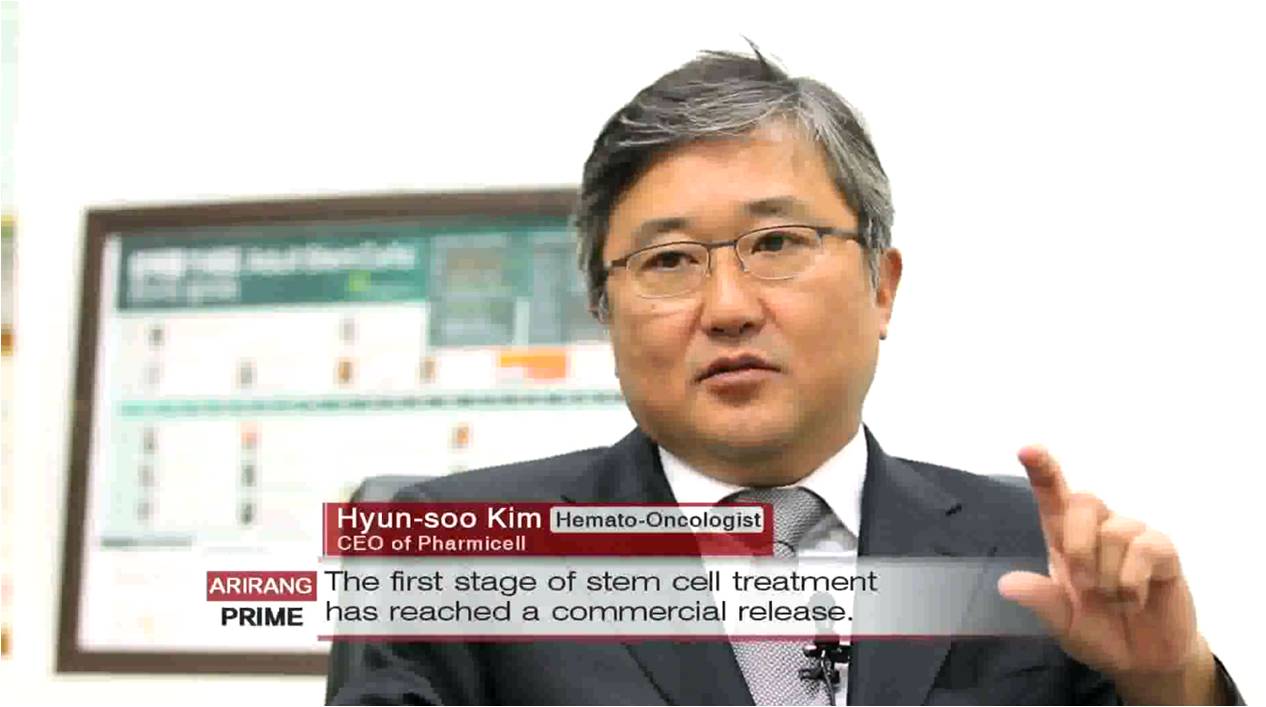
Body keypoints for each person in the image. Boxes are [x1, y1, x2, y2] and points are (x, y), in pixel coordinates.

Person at [331, 48, 1242, 705]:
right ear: (606, 311)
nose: (727, 306)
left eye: (776, 243)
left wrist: (1171, 681)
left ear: (882, 287)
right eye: (669, 260)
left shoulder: (1034, 558)